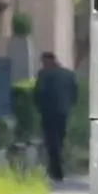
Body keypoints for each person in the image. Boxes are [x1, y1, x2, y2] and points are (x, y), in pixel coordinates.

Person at [33, 51, 78, 183]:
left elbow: (38, 93)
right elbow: (74, 93)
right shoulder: (68, 74)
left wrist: (38, 107)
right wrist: (69, 105)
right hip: (64, 112)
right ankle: (57, 168)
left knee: (51, 141)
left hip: (48, 112)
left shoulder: (44, 74)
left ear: (47, 61)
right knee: (59, 139)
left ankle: (56, 170)